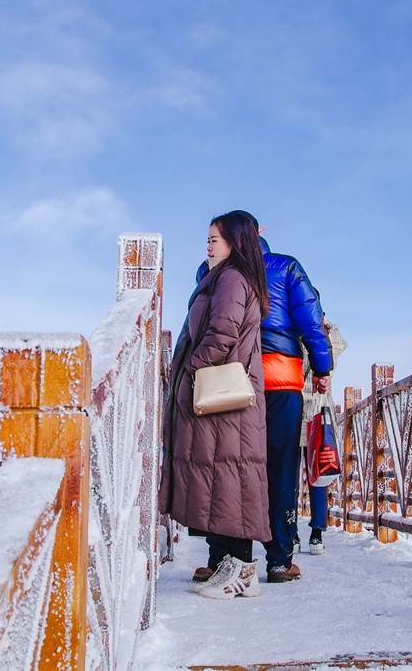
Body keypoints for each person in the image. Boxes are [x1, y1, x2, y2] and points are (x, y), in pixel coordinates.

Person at [193, 220, 334, 584]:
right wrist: (322, 367)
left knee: (228, 468)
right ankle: (278, 559)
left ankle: (223, 558)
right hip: (279, 382)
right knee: (280, 468)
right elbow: (311, 320)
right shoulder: (286, 267)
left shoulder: (215, 270)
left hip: (231, 384)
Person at [161, 210, 270, 600]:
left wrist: (191, 368)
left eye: (215, 239)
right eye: (207, 238)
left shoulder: (231, 279)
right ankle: (229, 568)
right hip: (225, 401)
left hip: (225, 399)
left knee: (233, 481)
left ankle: (242, 574)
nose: (207, 245)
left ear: (235, 242)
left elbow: (221, 333)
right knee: (224, 482)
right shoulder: (227, 277)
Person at [298, 316, 347, 556]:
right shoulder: (325, 335)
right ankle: (316, 533)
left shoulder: (291, 331)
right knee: (318, 473)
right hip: (319, 409)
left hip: (293, 406)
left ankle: (290, 533)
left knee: (286, 472)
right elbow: (338, 345)